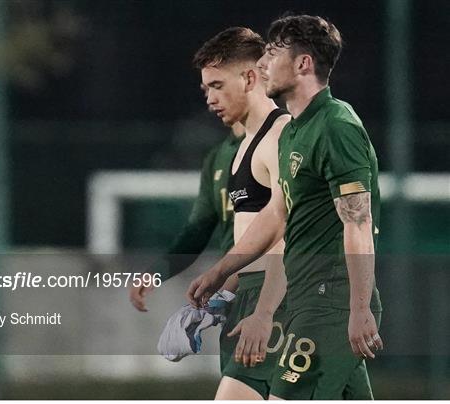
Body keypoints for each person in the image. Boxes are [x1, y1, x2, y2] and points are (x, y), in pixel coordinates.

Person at [187, 15, 383, 400]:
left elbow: (358, 221)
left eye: (273, 53)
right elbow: (277, 213)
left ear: (303, 63)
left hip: (331, 301)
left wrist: (359, 308)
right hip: (305, 297)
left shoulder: (336, 125)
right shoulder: (295, 129)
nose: (262, 64)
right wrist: (220, 270)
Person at [193, 27, 291, 400]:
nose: (210, 99)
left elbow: (286, 235)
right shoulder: (243, 147)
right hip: (252, 299)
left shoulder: (280, 135)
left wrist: (265, 311)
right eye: (206, 89)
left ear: (250, 77)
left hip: (281, 301)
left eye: (217, 85)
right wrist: (223, 293)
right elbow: (255, 238)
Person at [129, 121, 244, 311]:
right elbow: (198, 231)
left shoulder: (278, 142)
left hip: (279, 289)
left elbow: (276, 230)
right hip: (236, 299)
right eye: (207, 90)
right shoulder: (218, 157)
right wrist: (156, 273)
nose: (211, 99)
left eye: (219, 89)